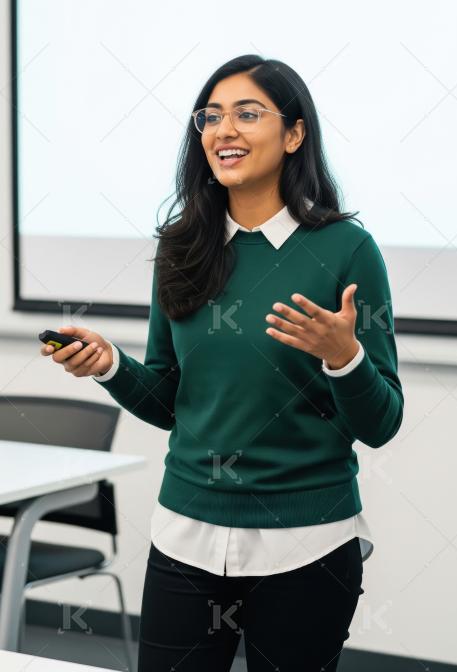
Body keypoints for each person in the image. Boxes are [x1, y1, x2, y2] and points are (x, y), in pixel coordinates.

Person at [41, 54, 404, 671]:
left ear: (294, 134)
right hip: (185, 535)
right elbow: (169, 400)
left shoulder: (348, 249)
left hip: (307, 545)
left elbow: (382, 423)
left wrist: (345, 358)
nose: (222, 130)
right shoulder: (181, 245)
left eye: (247, 114)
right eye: (210, 117)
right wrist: (108, 366)